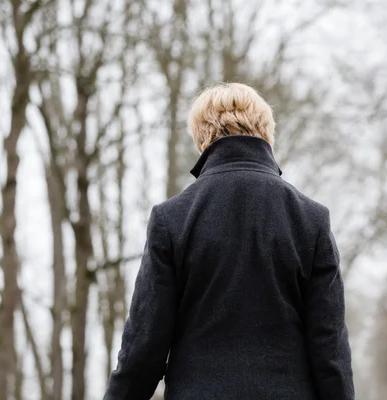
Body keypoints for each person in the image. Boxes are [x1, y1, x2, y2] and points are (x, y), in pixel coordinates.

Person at [103, 83, 355, 400]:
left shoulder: (172, 219)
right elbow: (329, 350)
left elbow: (143, 349)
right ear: (267, 134)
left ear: (201, 138)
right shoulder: (311, 220)